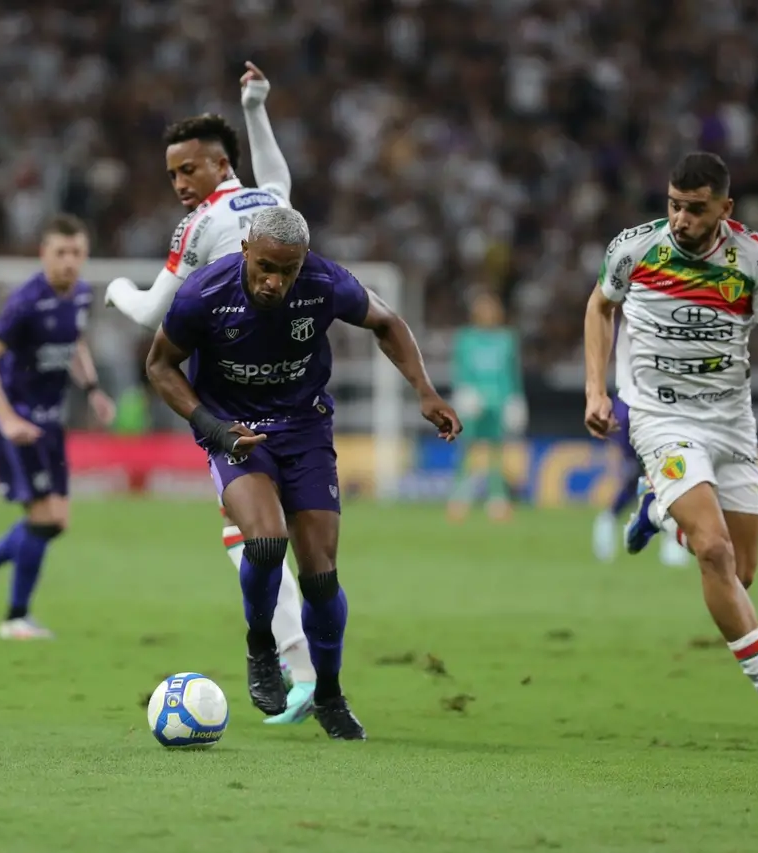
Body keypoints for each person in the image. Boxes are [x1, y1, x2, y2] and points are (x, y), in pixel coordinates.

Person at [145, 208, 462, 739]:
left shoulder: (325, 282)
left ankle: (330, 694)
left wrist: (425, 392)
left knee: (320, 577)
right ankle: (261, 648)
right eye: (265, 267)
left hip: (304, 428)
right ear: (245, 250)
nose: (275, 281)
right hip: (235, 430)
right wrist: (213, 428)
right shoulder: (204, 293)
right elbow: (159, 365)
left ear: (303, 263)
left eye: (287, 271)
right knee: (267, 541)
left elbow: (387, 322)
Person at [106, 62, 318, 724]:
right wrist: (256, 105)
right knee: (280, 531)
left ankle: (299, 665)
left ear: (220, 164)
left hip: (229, 388)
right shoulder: (269, 209)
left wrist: (113, 288)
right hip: (292, 378)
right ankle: (307, 665)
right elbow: (278, 176)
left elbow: (149, 314)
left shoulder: (198, 226)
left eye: (188, 169)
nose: (179, 183)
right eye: (172, 173)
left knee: (249, 532)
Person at [583, 152, 758, 739]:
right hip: (660, 415)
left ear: (725, 208)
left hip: (730, 420)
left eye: (696, 209)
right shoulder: (635, 249)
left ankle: (657, 510)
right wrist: (596, 389)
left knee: (741, 572)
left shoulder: (754, 259)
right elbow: (600, 305)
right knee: (713, 550)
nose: (681, 219)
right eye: (674, 206)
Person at [0, 215, 116, 640]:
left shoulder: (81, 294)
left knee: (57, 520)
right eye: (61, 252)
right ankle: (16, 617)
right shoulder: (25, 302)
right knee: (44, 517)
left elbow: (74, 343)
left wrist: (92, 389)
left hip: (49, 421)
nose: (69, 261)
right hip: (16, 421)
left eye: (77, 252)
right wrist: (7, 419)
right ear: (44, 254)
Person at [591, 313, 690, 567]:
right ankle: (610, 519)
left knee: (668, 474)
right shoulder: (635, 321)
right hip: (634, 405)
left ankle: (670, 539)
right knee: (642, 475)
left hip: (662, 404)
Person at [446, 292, 523, 522]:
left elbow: (511, 373)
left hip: (498, 401)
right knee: (466, 448)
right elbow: (460, 370)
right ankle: (459, 496)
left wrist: (515, 399)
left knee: (496, 451)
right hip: (474, 402)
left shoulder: (506, 339)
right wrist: (464, 393)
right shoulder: (466, 339)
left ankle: (497, 498)